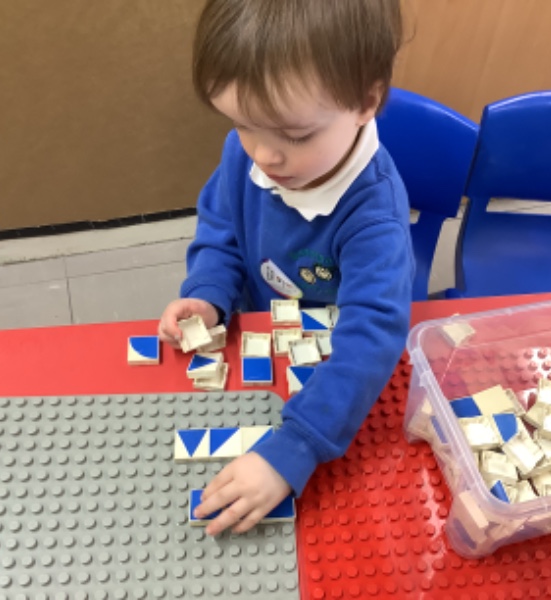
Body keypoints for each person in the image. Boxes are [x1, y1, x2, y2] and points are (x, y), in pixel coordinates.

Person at [158, 0, 413, 536]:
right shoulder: (245, 153)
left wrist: (294, 449)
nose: (265, 157)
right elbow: (221, 228)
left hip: (330, 373)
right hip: (262, 337)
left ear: (366, 102)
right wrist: (209, 292)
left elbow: (372, 339)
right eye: (242, 125)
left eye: (295, 136)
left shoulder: (374, 216)